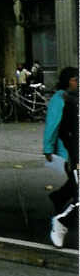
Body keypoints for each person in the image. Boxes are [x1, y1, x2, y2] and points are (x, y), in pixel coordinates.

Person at [44, 67, 78, 247]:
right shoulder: (61, 99)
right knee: (76, 188)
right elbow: (53, 124)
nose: (77, 82)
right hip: (70, 153)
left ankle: (59, 199)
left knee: (74, 188)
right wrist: (48, 147)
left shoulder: (74, 99)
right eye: (74, 79)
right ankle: (62, 221)